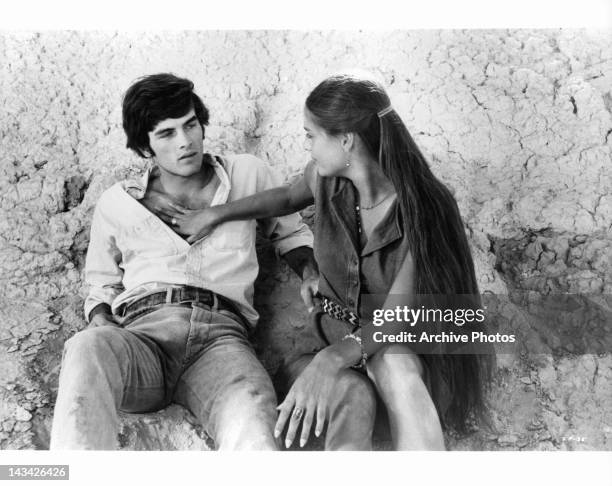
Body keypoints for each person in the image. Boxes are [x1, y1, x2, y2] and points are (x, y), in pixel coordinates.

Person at [158, 73, 495, 450]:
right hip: (343, 351)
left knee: (392, 362)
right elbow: (285, 198)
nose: (309, 147)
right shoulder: (326, 179)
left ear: (346, 140)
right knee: (352, 394)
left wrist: (330, 360)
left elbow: (397, 320)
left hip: (409, 356)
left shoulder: (423, 207)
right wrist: (216, 214)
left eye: (311, 136)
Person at [50, 73, 350, 450]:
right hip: (144, 338)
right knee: (86, 346)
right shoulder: (117, 203)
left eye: (190, 125)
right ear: (145, 147)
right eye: (166, 134)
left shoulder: (246, 173)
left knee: (256, 426)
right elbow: (100, 284)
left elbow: (290, 233)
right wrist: (101, 319)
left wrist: (308, 269)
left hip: (222, 343)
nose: (185, 141)